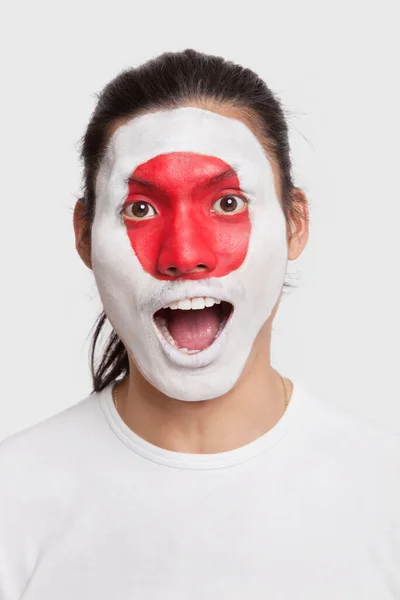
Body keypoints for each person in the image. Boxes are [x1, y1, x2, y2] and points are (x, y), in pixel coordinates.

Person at [0, 49, 399, 599]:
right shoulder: (12, 499)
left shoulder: (385, 495)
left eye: (228, 202)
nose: (185, 255)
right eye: (140, 209)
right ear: (84, 234)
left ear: (294, 224)